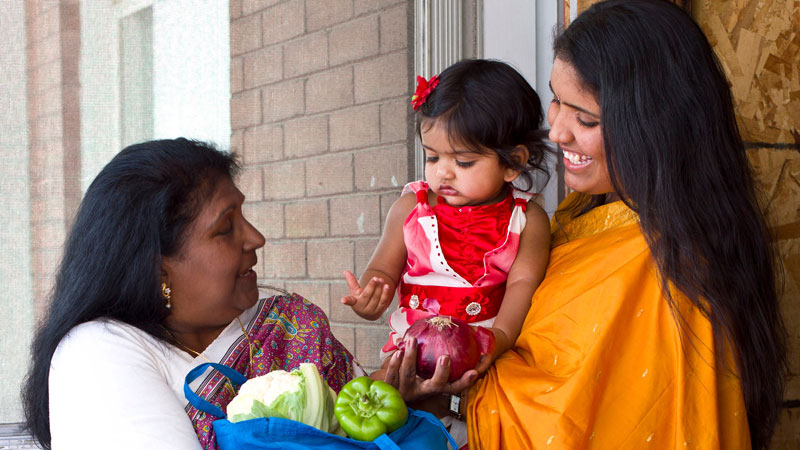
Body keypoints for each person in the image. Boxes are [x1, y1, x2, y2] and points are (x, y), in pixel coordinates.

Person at [383, 1, 788, 449]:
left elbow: (572, 427)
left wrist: (449, 399)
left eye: (587, 119)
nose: (556, 132)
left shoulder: (662, 266)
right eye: (557, 100)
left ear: (653, 126)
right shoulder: (583, 214)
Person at [22, 138, 360, 450]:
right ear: (158, 269)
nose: (256, 238)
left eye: (244, 216)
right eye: (226, 227)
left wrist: (398, 401)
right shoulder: (96, 351)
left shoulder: (286, 325)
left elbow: (365, 419)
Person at [340, 59, 552, 372]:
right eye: (432, 156)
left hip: (484, 359)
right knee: (377, 401)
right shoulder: (410, 209)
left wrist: (501, 336)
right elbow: (382, 272)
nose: (442, 173)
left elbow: (523, 284)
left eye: (463, 162)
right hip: (410, 357)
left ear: (513, 163)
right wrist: (370, 298)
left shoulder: (526, 219)